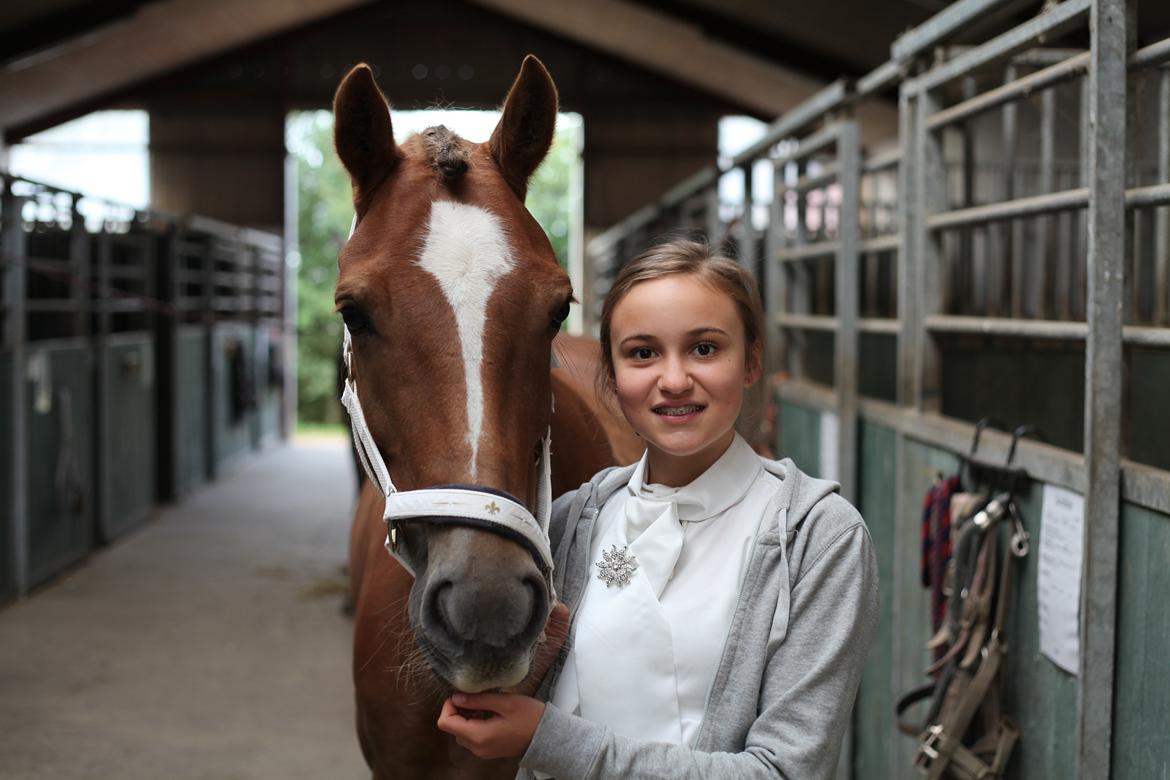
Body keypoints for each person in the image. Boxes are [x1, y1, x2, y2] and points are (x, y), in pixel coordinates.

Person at [436, 239, 879, 779]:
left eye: (704, 349)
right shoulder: (573, 521)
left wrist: (546, 739)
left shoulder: (818, 537)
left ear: (752, 361)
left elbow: (785, 772)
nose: (673, 380)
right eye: (643, 353)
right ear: (613, 375)